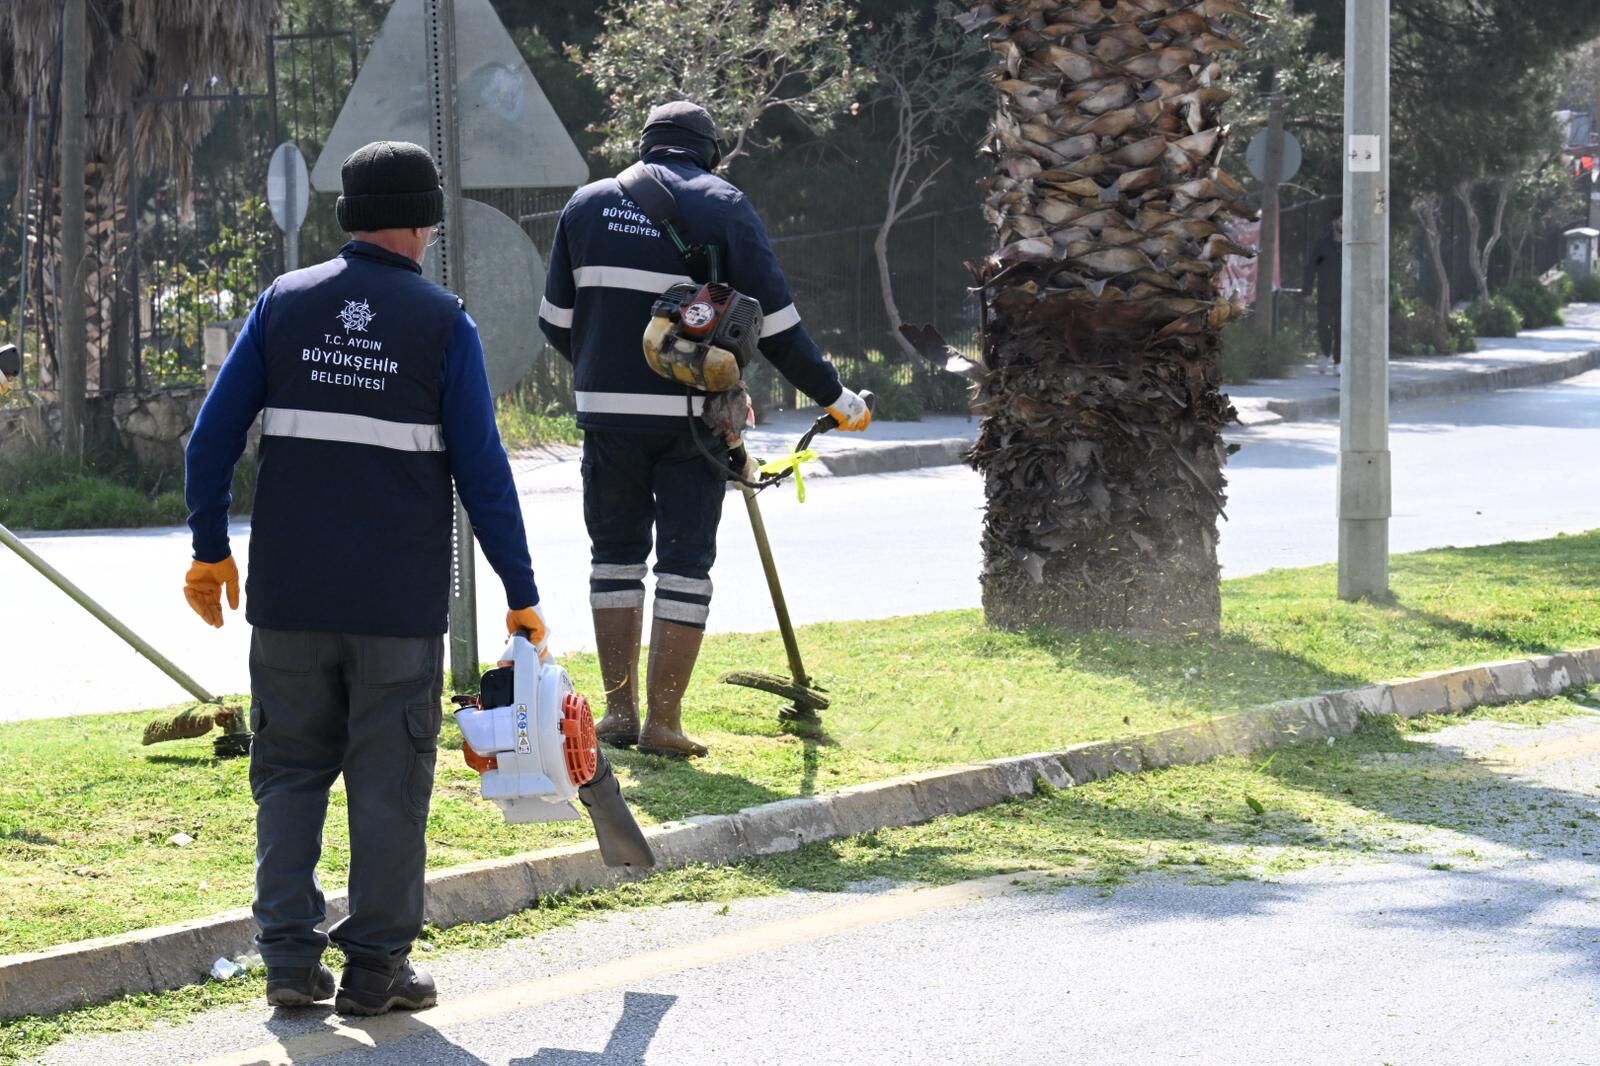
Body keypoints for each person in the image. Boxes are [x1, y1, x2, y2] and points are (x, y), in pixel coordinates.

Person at [182, 141, 547, 1016]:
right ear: (427, 220)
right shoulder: (441, 322)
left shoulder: (283, 304)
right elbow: (484, 473)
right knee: (388, 783)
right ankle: (377, 968)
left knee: (289, 773)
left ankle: (286, 962)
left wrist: (207, 547)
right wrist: (521, 590)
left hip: (290, 602)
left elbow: (208, 441)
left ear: (348, 215)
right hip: (396, 610)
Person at [538, 101, 870, 759]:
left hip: (607, 415)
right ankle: (664, 724)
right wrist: (837, 397)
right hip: (695, 419)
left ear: (646, 144)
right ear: (708, 151)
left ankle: (618, 715)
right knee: (686, 563)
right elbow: (777, 330)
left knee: (615, 555)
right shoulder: (725, 205)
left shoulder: (586, 205)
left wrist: (611, 372)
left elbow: (554, 320)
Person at [1305, 215, 1343, 375]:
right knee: (1324, 326)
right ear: (1334, 222)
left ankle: (1338, 362)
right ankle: (1326, 352)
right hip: (1325, 293)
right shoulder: (1323, 245)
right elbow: (1312, 268)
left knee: (1341, 328)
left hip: (1344, 295)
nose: (1343, 224)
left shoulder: (1350, 245)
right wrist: (1307, 291)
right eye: (1341, 220)